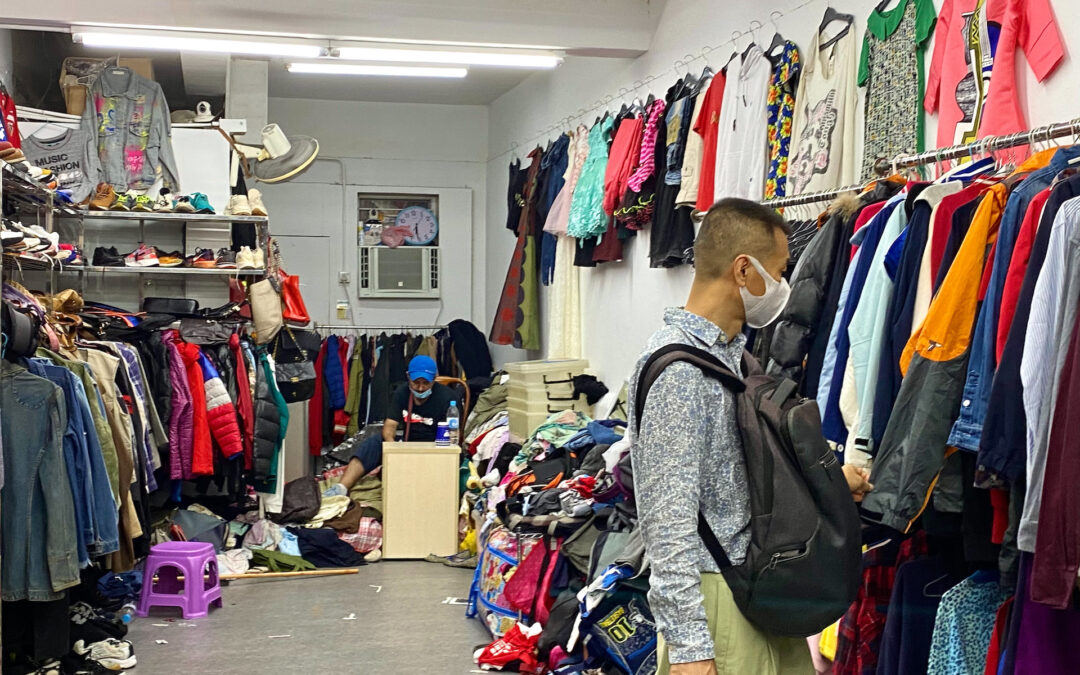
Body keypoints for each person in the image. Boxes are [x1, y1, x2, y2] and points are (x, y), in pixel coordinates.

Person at [630, 198, 873, 675]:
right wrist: (691, 650)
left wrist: (828, 483)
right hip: (718, 601)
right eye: (779, 272)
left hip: (757, 591)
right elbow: (668, 524)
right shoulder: (679, 374)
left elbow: (745, 477)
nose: (782, 287)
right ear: (744, 270)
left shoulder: (730, 357)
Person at [324, 355, 458, 497]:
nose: (420, 388)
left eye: (426, 383)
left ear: (435, 378)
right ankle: (342, 487)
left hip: (436, 448)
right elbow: (390, 426)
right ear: (408, 377)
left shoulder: (448, 398)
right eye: (415, 382)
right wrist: (392, 448)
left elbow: (453, 434)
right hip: (408, 444)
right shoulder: (401, 393)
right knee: (373, 443)